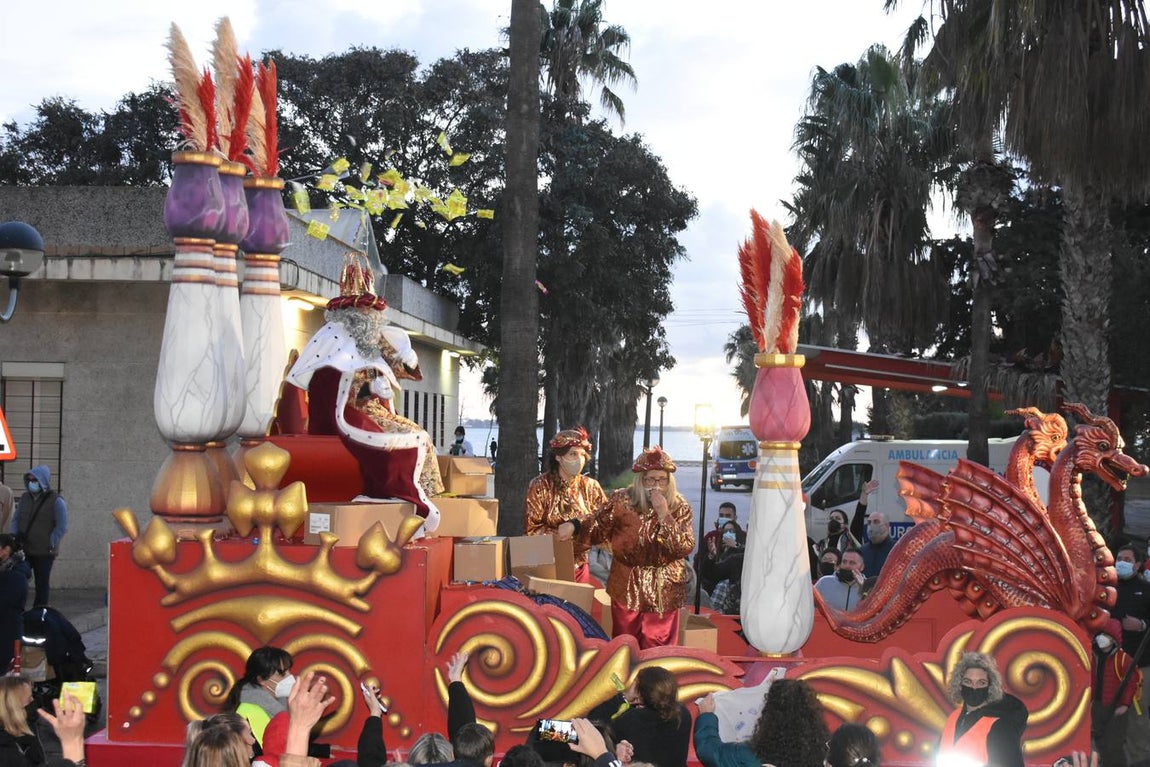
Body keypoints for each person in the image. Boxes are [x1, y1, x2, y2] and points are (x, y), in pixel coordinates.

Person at [285, 254, 444, 528]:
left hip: (371, 409)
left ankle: (417, 495)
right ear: (351, 314)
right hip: (344, 414)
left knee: (419, 434)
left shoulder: (370, 338)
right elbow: (327, 387)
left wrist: (406, 359)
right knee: (402, 439)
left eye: (374, 314)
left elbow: (401, 367)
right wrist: (367, 388)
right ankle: (395, 494)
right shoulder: (332, 339)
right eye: (367, 313)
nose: (372, 319)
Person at [586, 447, 695, 649]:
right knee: (625, 644)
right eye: (650, 479)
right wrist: (575, 527)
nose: (656, 485)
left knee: (658, 648)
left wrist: (664, 514)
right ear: (641, 480)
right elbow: (596, 528)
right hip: (627, 583)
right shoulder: (622, 500)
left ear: (669, 481)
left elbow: (684, 547)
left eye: (662, 479)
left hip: (664, 587)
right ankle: (627, 680)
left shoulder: (680, 507)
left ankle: (655, 681)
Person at [525, 428, 609, 583]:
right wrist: (560, 536)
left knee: (578, 606)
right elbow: (532, 530)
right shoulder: (540, 485)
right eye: (573, 454)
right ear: (558, 456)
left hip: (581, 566)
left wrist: (576, 525)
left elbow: (605, 522)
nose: (579, 459)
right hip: (548, 566)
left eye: (582, 454)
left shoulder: (591, 486)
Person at [693, 680, 830, 767]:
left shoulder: (747, 755)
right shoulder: (827, 753)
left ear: (768, 716)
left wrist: (707, 716)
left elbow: (711, 751)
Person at [937, 652, 1028, 767]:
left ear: (990, 687)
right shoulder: (953, 717)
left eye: (981, 683)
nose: (974, 687)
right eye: (968, 681)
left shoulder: (1000, 724)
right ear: (959, 685)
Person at [1091, 618, 1148, 767]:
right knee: (1100, 742)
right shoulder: (1094, 657)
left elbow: (1131, 682)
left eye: (1106, 636)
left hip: (1115, 708)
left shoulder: (1122, 659)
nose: (1101, 640)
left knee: (1114, 744)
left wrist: (1124, 704)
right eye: (1099, 635)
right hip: (1097, 707)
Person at [610, 667, 692, 767]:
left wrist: (625, 697)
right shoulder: (682, 714)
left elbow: (597, 725)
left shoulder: (629, 720)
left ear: (639, 692)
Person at [10, 466, 67, 608]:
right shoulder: (24, 498)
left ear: (43, 481)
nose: (32, 483)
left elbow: (62, 526)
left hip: (44, 551)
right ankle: (19, 610)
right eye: (29, 480)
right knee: (20, 580)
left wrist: (51, 542)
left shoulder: (56, 501)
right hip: (24, 549)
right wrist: (14, 536)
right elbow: (16, 519)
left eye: (35, 480)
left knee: (41, 584)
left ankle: (39, 612)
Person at [224, 646, 295, 744]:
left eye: (289, 671)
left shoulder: (283, 703)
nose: (290, 677)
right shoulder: (248, 710)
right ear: (262, 679)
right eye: (282, 673)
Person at [812, 479, 872, 561]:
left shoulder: (851, 539)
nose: (833, 521)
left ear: (845, 525)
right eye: (831, 518)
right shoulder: (820, 545)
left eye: (837, 518)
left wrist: (864, 494)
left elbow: (859, 515)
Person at [0, 535, 29, 674]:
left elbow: (8, 602)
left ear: (6, 550)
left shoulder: (16, 574)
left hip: (7, 631)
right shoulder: (6, 570)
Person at [0, 676, 44, 765]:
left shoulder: (28, 725)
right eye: (29, 699)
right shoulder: (6, 750)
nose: (33, 702)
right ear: (13, 707)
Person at [696, 503, 737, 594]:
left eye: (728, 516)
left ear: (735, 518)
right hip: (712, 583)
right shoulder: (711, 537)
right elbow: (699, 563)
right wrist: (711, 556)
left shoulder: (743, 537)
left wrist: (735, 547)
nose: (724, 518)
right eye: (721, 515)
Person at [860, 512, 894, 578]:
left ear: (886, 526)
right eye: (869, 522)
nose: (871, 525)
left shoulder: (896, 549)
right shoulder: (862, 551)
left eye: (876, 522)